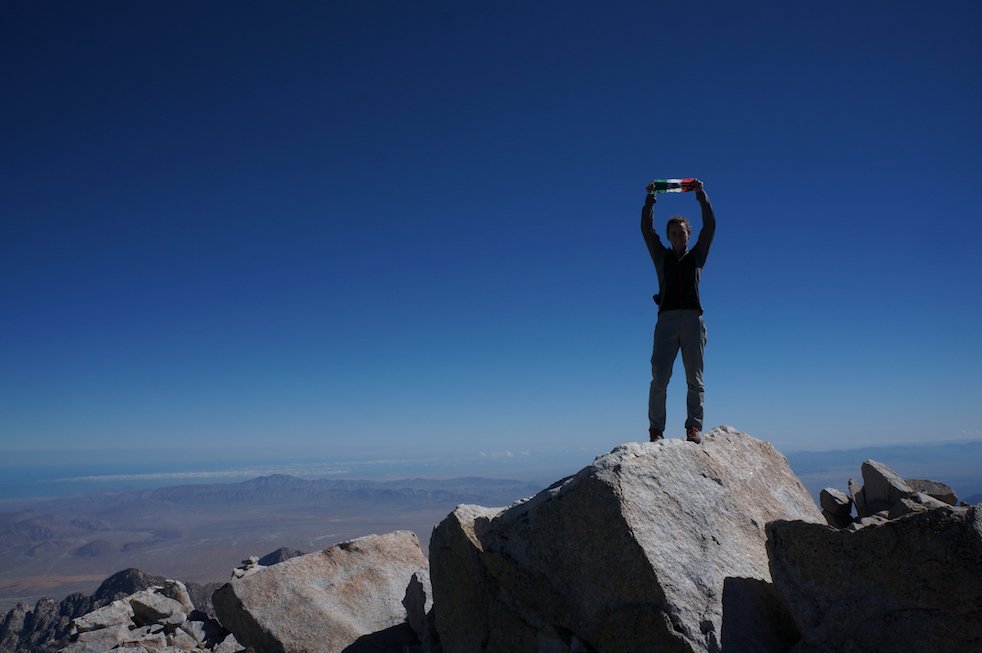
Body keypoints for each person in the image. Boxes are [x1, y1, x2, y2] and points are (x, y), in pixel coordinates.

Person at [640, 179, 715, 444]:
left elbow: (710, 227)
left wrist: (701, 195)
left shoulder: (697, 256)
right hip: (667, 321)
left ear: (688, 235)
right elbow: (646, 230)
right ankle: (656, 431)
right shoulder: (661, 257)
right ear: (668, 235)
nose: (676, 237)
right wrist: (650, 199)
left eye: (681, 233)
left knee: (695, 379)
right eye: (672, 233)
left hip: (693, 320)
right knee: (659, 377)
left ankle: (693, 428)